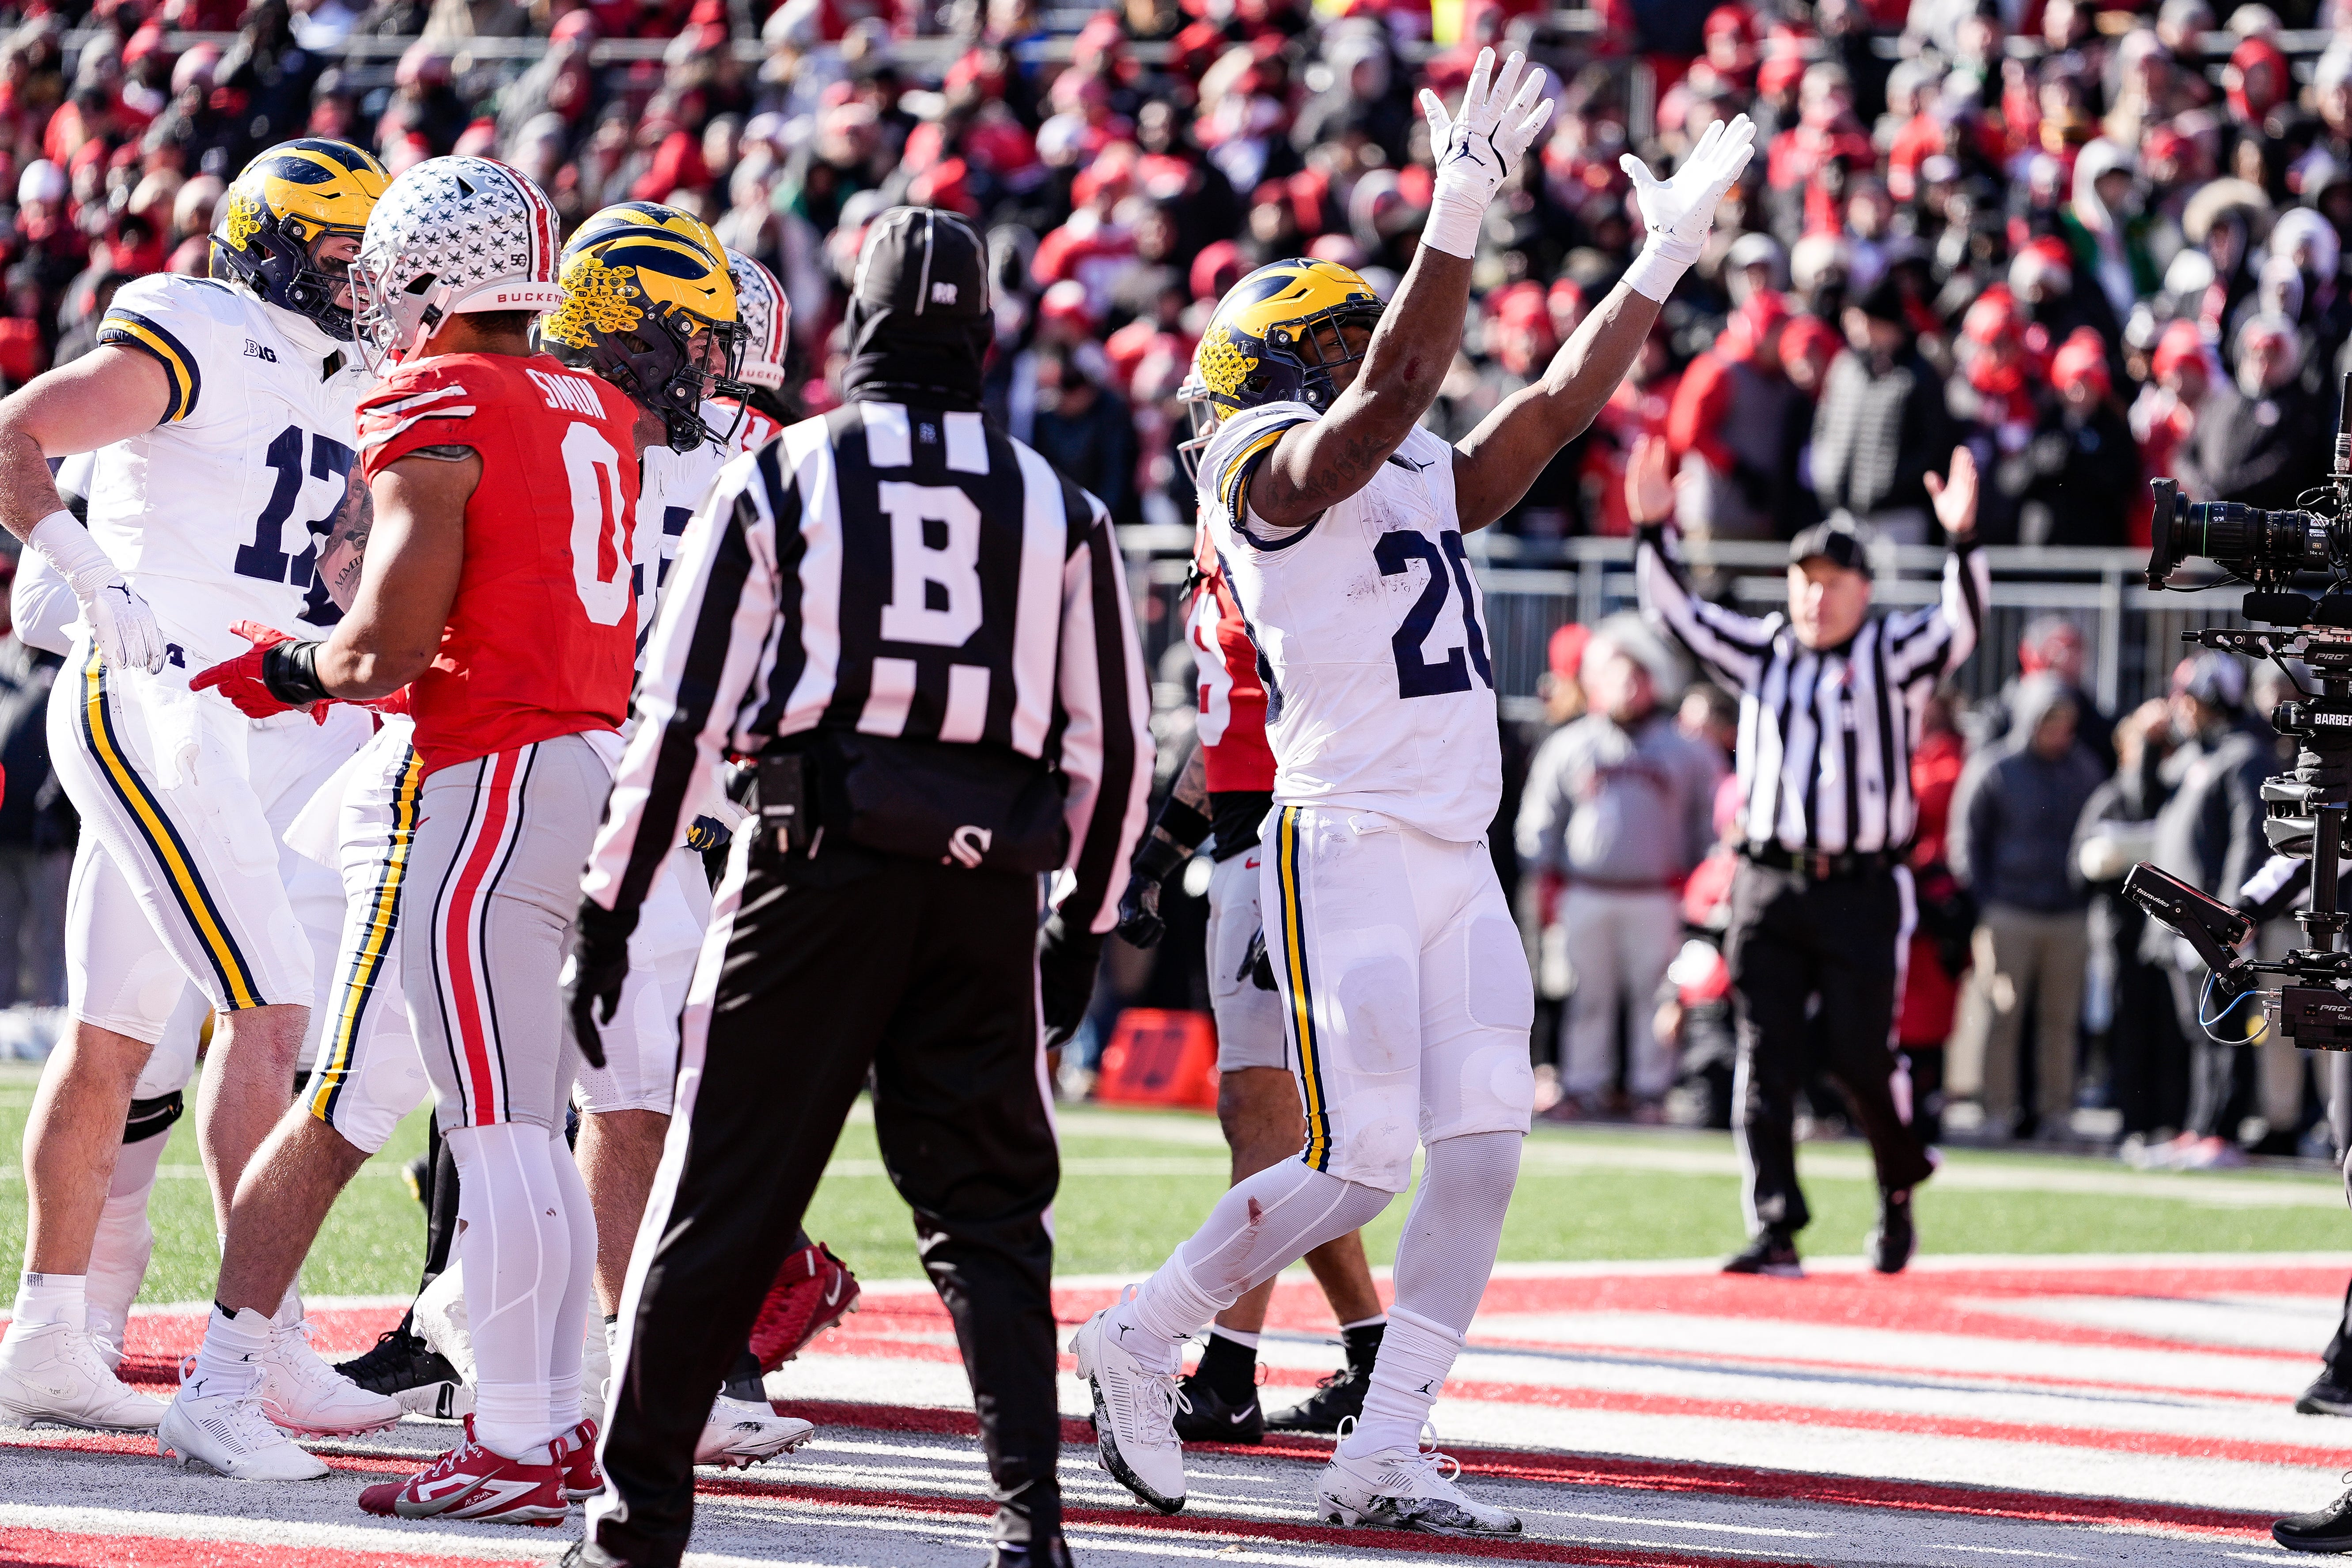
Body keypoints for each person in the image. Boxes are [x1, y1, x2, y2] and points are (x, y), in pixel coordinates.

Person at [1071, 56, 1754, 1537]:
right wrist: (1458, 203)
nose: (1215, 401)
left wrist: (1660, 255)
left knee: (1486, 1152)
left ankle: (1384, 1446)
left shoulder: (1395, 453)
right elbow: (1384, 399)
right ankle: (1135, 1330)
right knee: (1359, 1159)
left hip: (1452, 844)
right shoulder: (1275, 464)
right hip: (1347, 836)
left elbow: (1558, 409)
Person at [569, 205, 1151, 1568]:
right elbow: (1111, 748)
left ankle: (635, 1523)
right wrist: (1085, 921)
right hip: (983, 886)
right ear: (983, 333)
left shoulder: (783, 475)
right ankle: (1031, 1530)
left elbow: (684, 713)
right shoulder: (1059, 506)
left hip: (809, 868)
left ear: (859, 328)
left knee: (717, 1199)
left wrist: (612, 898)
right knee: (994, 1220)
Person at [179, 152, 633, 1521]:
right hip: (577, 765)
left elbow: (382, 650)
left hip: (483, 774)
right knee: (522, 1124)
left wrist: (287, 667)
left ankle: (514, 1432)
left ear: (438, 270)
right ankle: (542, 1421)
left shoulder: (440, 393)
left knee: (497, 1131)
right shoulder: (597, 400)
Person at [0, 138, 388, 1437]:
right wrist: (77, 562)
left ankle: (48, 1332)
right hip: (154, 703)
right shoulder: (202, 326)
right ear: (275, 243)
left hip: (244, 717)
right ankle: (255, 1346)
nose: (362, 284)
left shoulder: (360, 374)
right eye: (342, 256)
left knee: (110, 1035)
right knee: (269, 1013)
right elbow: (20, 431)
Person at [536, 200, 814, 1469]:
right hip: (540, 776)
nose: (717, 368)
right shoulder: (533, 416)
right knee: (447, 1089)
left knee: (656, 1087)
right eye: (695, 341)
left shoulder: (749, 458)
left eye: (722, 344)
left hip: (663, 807)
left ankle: (629, 1352)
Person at [1634, 432, 1986, 1279]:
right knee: (1765, 1053)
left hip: (1862, 886)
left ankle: (1897, 1188)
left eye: (1832, 583)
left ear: (1865, 590)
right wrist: (1652, 531)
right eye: (1802, 580)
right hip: (1768, 882)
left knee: (1863, 1058)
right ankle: (1776, 1225)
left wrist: (1963, 542)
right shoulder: (1763, 652)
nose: (1814, 597)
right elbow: (1677, 615)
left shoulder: (1892, 656)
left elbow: (1959, 629)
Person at [1113, 533, 1387, 1441]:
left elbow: (1335, 715)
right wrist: (1157, 856)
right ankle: (1376, 1357)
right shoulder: (1224, 546)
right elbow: (1225, 739)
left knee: (1265, 1122)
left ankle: (1227, 1370)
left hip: (1287, 844)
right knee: (1288, 1134)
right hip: (1253, 841)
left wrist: (1297, 880)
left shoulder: (1282, 539)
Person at [1515, 615, 1723, 1121]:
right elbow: (1540, 818)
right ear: (1596, 681)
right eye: (1616, 674)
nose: (1628, 685)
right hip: (1586, 888)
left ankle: (1650, 1091)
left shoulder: (1687, 750)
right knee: (1589, 996)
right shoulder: (1571, 744)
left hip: (1660, 893)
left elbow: (1711, 823)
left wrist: (1704, 890)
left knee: (1656, 997)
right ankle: (1585, 1086)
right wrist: (1543, 877)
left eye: (1638, 674)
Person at [1947, 675, 2106, 1140]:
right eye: (2052, 723)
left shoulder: (2083, 768)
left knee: (2060, 1021)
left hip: (2067, 913)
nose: (2061, 734)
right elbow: (1966, 840)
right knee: (2003, 1015)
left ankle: (2056, 1112)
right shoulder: (1995, 767)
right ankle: (1997, 1109)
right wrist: (1985, 902)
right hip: (2008, 911)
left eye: (2067, 724)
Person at [2136, 652, 2272, 1172]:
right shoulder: (2195, 754)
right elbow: (2145, 797)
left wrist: (2235, 914)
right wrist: (2148, 749)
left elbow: (2249, 839)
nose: (2179, 709)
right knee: (2197, 1032)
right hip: (2180, 919)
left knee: (2226, 1028)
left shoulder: (2242, 755)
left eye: (2187, 699)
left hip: (2214, 919)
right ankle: (2201, 1125)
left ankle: (2223, 1131)